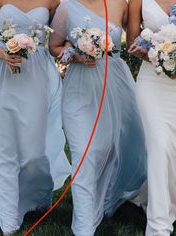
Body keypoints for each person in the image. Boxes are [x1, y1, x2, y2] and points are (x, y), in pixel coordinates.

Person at [50, 0, 147, 235]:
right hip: (79, 87)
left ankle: (106, 200)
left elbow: (137, 37)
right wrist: (74, 54)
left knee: (113, 148)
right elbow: (54, 47)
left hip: (115, 85)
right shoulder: (66, 8)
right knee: (85, 152)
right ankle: (84, 227)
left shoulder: (120, 5)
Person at [0, 0, 71, 234]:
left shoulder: (53, 1)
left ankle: (36, 198)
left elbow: (59, 39)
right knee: (3, 148)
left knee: (34, 152)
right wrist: (4, 53)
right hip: (3, 75)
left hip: (37, 77)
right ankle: (9, 215)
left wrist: (73, 45)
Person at [127, 0, 176, 235]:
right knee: (159, 146)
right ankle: (158, 226)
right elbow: (132, 40)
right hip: (152, 81)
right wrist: (160, 57)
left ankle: (167, 205)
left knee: (173, 153)